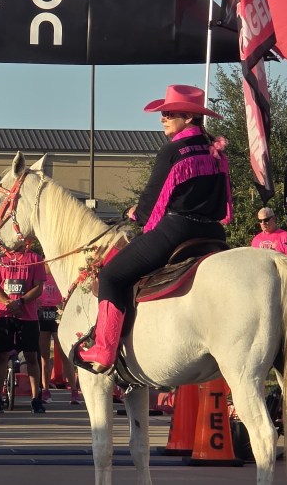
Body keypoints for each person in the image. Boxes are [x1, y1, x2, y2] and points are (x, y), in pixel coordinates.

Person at [74, 84, 231, 374]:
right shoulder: (216, 151)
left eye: (169, 113)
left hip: (176, 231)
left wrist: (138, 214)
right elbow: (224, 204)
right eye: (163, 114)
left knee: (111, 275)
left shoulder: (173, 150)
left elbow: (152, 197)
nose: (163, 118)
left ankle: (104, 350)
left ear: (188, 117)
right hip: (213, 234)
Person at [0, 241, 47, 413]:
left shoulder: (35, 258)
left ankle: (36, 398)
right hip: (3, 315)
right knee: (2, 356)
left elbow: (38, 287)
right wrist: (8, 303)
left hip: (28, 315)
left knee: (31, 356)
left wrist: (20, 302)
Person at [38, 265, 80, 405]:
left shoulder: (60, 273)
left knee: (64, 355)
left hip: (57, 312)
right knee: (44, 355)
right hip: (43, 313)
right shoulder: (40, 274)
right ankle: (45, 390)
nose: (47, 264)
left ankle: (74, 391)